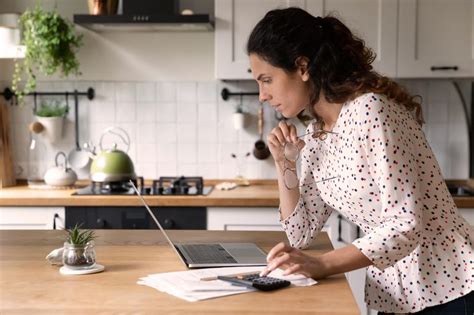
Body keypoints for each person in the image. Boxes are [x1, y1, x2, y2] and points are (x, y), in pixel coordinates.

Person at [246, 7, 474, 315]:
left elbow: (406, 224)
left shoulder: (370, 111)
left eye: (267, 79)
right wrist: (284, 165)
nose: (261, 94)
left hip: (451, 289)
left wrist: (322, 264)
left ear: (302, 67)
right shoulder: (316, 135)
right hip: (395, 296)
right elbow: (300, 235)